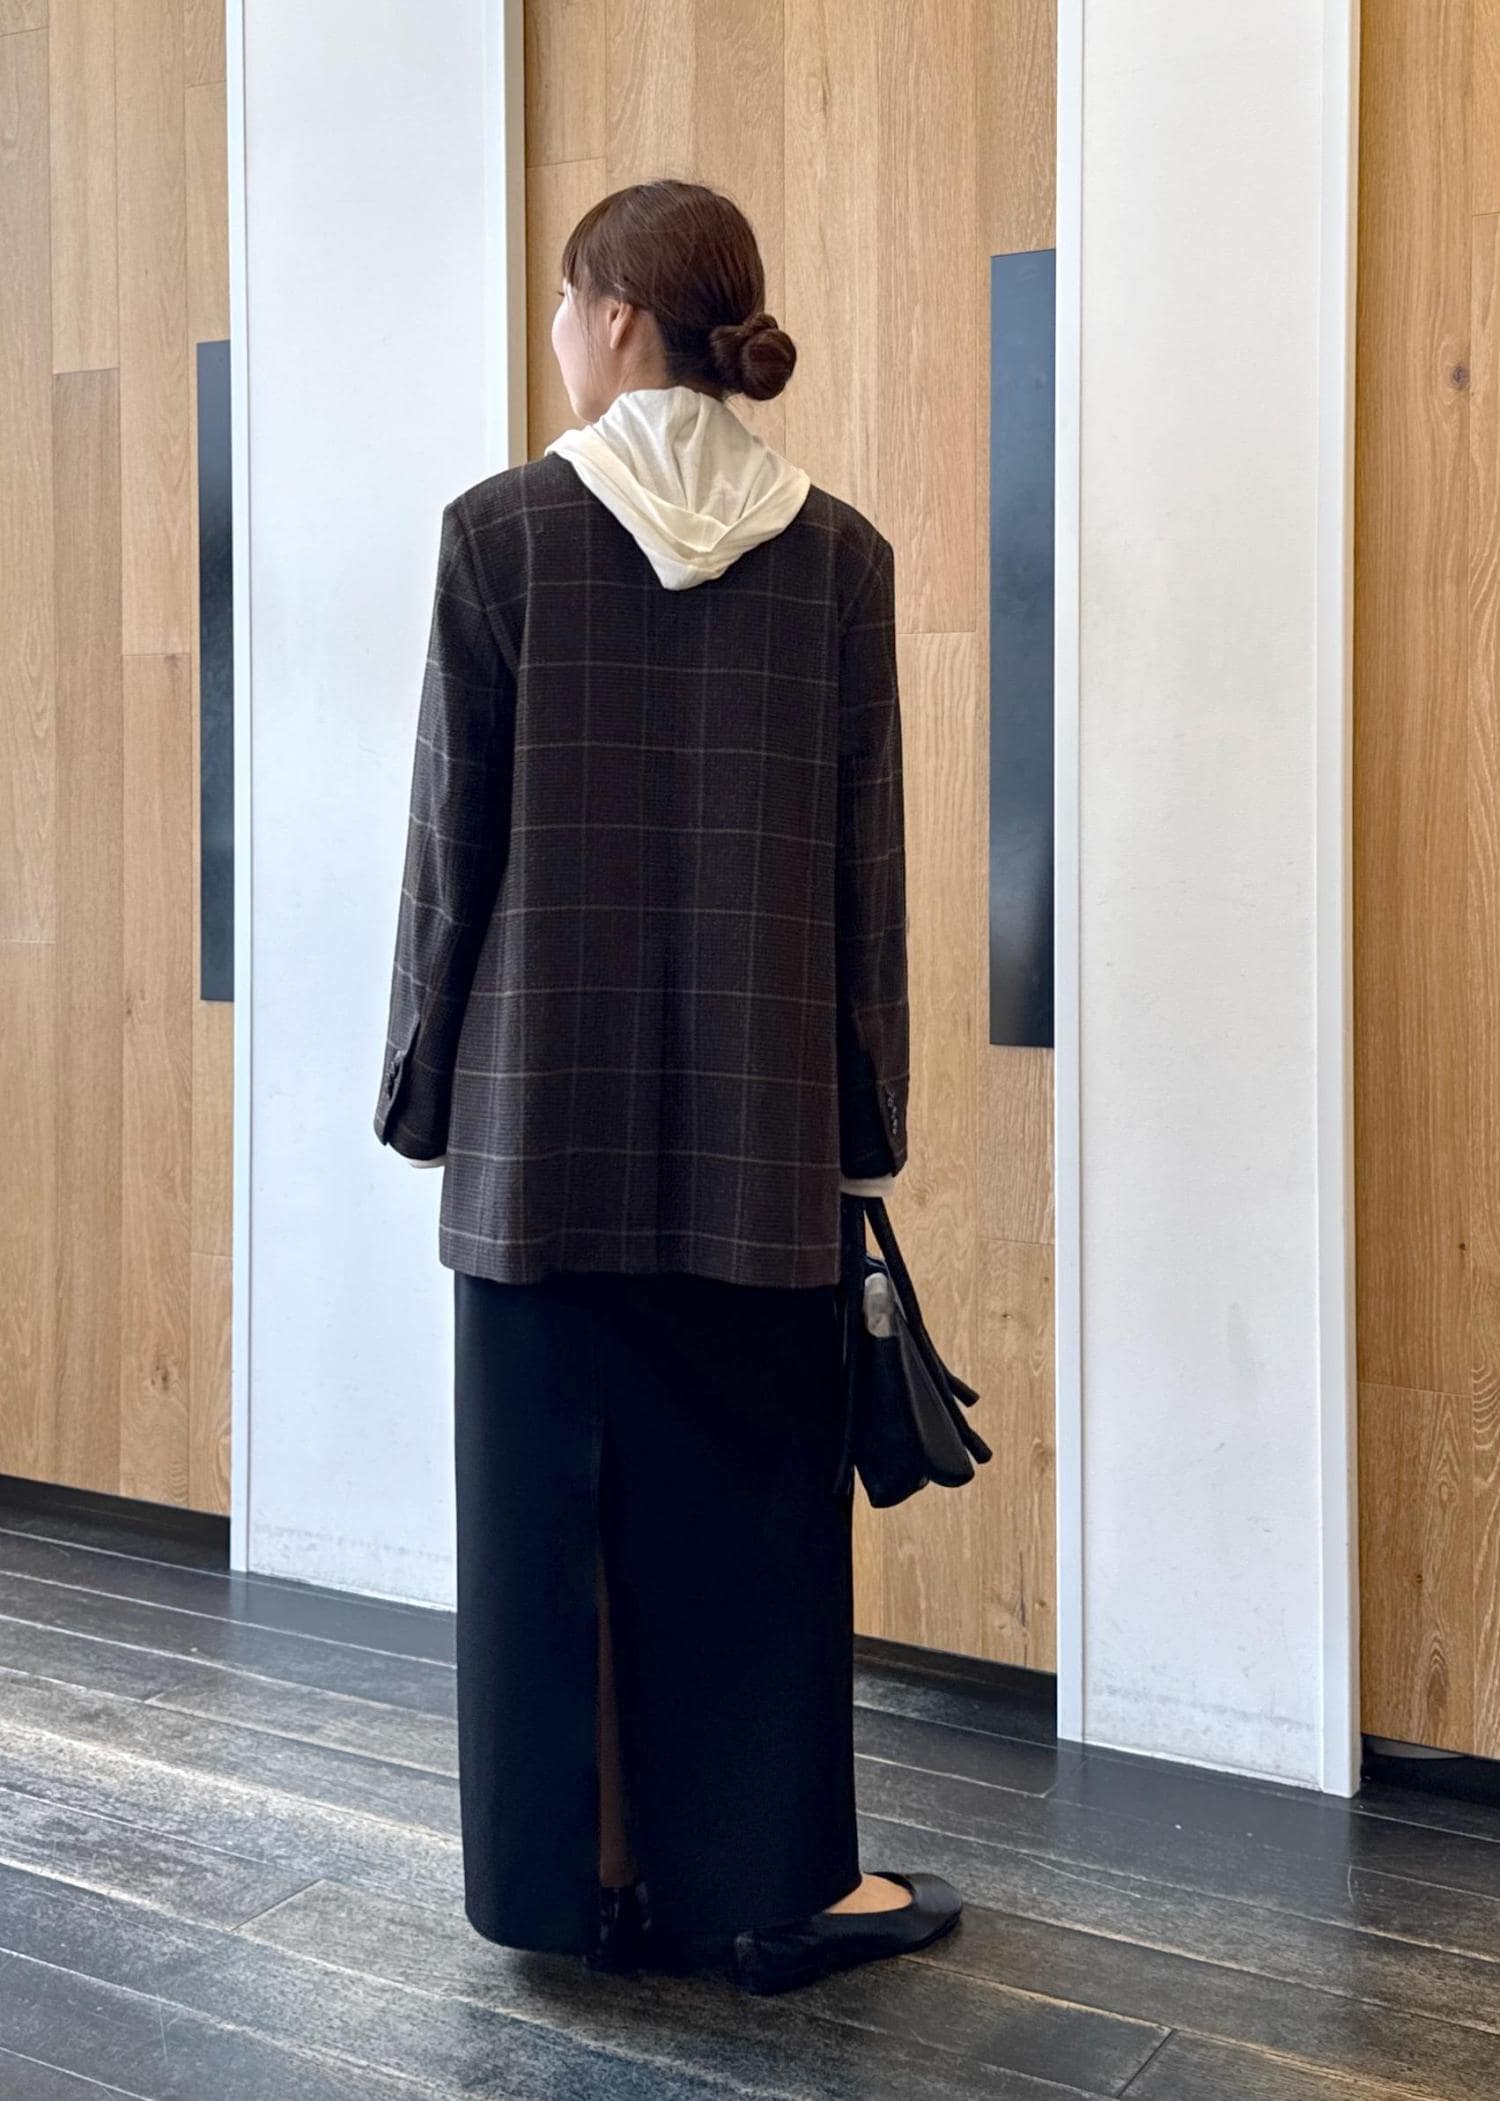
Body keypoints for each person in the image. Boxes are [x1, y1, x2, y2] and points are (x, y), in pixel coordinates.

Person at [372, 176, 962, 1997]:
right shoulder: (840, 558)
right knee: (750, 1528)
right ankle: (769, 1885)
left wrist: (424, 1094)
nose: (559, 331)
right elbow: (867, 877)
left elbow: (449, 852)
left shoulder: (498, 535)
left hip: (536, 1138)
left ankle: (580, 1882)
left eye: (569, 301)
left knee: (547, 1528)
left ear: (618, 317)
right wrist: (864, 1125)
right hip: (763, 1141)